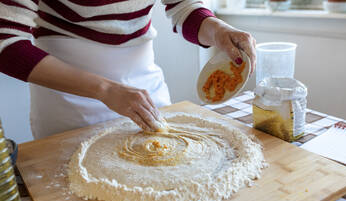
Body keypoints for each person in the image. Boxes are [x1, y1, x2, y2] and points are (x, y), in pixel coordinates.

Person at [0, 0, 256, 139]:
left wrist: (219, 30)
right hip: (69, 96)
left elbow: (183, 7)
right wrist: (104, 88)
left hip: (144, 82)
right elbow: (6, 43)